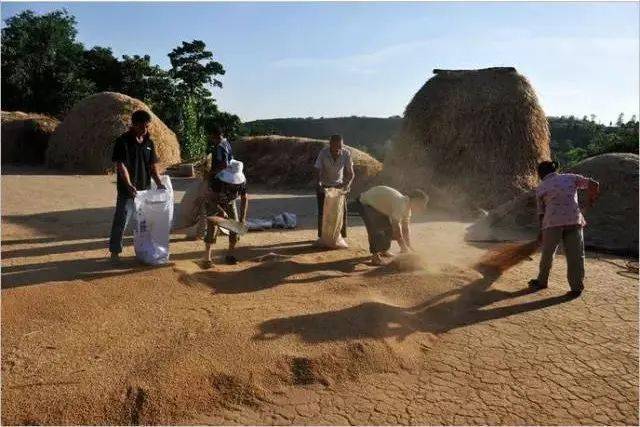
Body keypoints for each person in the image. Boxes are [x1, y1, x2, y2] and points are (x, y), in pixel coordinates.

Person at [528, 161, 600, 296]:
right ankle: (576, 287)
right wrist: (591, 200)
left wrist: (541, 232)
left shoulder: (541, 187)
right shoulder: (570, 177)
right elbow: (594, 184)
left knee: (547, 254)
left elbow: (541, 213)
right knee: (576, 256)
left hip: (552, 223)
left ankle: (542, 281)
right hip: (574, 220)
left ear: (540, 174)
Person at [109, 110, 165, 260]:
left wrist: (159, 183)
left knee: (143, 223)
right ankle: (115, 252)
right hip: (127, 190)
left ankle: (143, 250)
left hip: (144, 190)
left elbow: (152, 166)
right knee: (121, 219)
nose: (145, 130)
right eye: (142, 126)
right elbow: (121, 165)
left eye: (147, 126)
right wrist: (128, 184)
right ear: (134, 125)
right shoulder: (123, 141)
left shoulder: (149, 142)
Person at [356, 185, 429, 266]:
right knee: (376, 229)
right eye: (421, 204)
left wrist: (408, 246)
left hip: (377, 207)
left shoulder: (407, 209)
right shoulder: (401, 203)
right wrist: (403, 247)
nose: (422, 207)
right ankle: (375, 256)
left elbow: (405, 228)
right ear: (415, 200)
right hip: (365, 203)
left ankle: (384, 251)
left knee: (388, 228)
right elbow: (396, 227)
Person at [202, 159, 249, 268]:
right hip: (214, 203)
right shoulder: (218, 181)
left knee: (235, 227)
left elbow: (244, 199)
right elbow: (209, 198)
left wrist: (242, 218)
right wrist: (220, 211)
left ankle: (230, 255)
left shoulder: (242, 182)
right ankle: (207, 259)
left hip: (229, 202)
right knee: (212, 228)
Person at [314, 134, 355, 239]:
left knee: (341, 212)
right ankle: (323, 236)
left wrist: (346, 185)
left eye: (340, 147)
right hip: (324, 186)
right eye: (335, 147)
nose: (338, 150)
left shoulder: (346, 153)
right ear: (330, 144)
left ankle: (341, 236)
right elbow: (317, 170)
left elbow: (350, 173)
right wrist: (318, 183)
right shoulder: (323, 153)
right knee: (323, 212)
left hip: (338, 186)